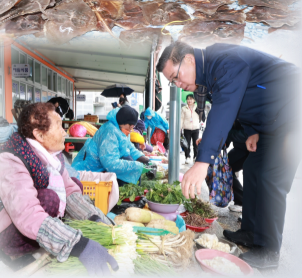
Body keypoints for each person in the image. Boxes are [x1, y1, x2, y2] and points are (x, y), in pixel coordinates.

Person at [157, 41, 301, 269]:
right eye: (173, 82)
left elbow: (225, 107)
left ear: (188, 60)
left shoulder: (224, 61)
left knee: (272, 176)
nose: (178, 84)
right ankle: (251, 232)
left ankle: (269, 251)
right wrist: (252, 131)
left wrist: (203, 161)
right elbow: (242, 103)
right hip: (270, 122)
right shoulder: (210, 75)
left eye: (176, 76)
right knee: (254, 168)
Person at [0, 102, 118, 272]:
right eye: (59, 126)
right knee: (49, 198)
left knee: (74, 185)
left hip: (21, 222)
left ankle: (37, 246)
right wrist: (78, 245)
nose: (64, 132)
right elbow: (27, 213)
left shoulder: (51, 155)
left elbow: (69, 190)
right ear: (39, 135)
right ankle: (14, 253)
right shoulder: (10, 159)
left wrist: (93, 218)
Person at [80, 106, 153, 185]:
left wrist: (146, 160)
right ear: (124, 122)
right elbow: (110, 163)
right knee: (129, 165)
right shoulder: (109, 132)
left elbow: (129, 148)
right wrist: (136, 166)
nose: (131, 130)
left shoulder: (122, 129)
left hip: (107, 166)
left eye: (132, 127)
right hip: (96, 169)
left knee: (129, 159)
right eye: (130, 126)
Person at [181, 93, 200, 163]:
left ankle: (196, 156)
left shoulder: (198, 108)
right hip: (187, 129)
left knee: (196, 144)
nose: (189, 100)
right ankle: (187, 157)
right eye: (188, 99)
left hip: (195, 128)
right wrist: (180, 128)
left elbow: (201, 117)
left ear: (194, 100)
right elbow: (181, 119)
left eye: (191, 99)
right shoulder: (184, 108)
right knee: (187, 144)